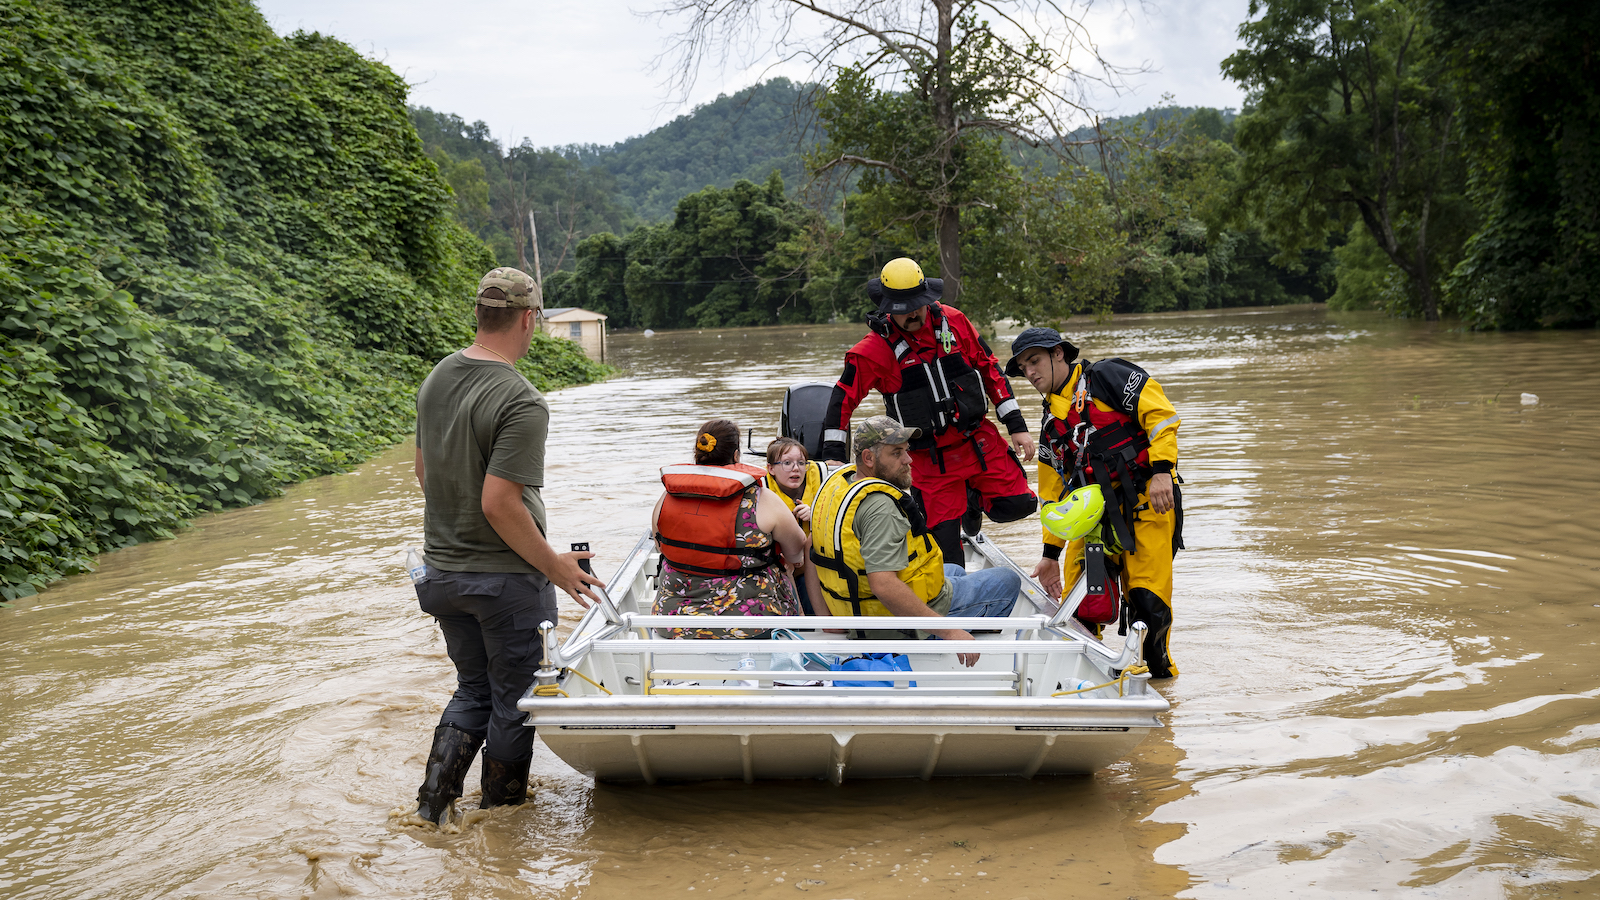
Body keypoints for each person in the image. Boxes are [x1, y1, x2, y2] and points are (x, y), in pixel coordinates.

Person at [410, 266, 605, 826]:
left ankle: (432, 810)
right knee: (517, 703)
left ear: (479, 314)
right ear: (528, 319)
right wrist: (557, 567)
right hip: (504, 582)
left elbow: (425, 474)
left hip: (443, 573)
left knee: (473, 689)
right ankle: (502, 825)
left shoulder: (438, 377)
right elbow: (499, 503)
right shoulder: (522, 400)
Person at [818, 258, 1037, 566]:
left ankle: (972, 499)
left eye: (918, 305)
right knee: (948, 558)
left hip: (978, 442)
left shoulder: (955, 321)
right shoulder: (872, 350)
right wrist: (833, 455)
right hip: (928, 460)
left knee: (1020, 505)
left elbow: (990, 368)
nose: (913, 313)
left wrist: (1016, 425)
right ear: (888, 307)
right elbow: (843, 399)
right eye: (903, 308)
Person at [1006, 327, 1183, 678]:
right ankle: (1089, 679)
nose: (1029, 372)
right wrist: (1049, 555)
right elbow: (1053, 496)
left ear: (1059, 353)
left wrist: (1163, 470)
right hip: (1093, 522)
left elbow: (1162, 416)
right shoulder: (1051, 426)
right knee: (1080, 609)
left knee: (1149, 601)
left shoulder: (1107, 377)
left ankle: (1161, 680)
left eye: (1034, 361)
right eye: (1023, 367)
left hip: (1147, 503)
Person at [809, 415, 1023, 667]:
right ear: (868, 458)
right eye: (897, 453)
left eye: (907, 451)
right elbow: (884, 585)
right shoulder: (879, 507)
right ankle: (962, 661)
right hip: (889, 624)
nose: (908, 459)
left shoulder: (841, 484)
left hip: (856, 610)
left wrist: (827, 618)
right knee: (1007, 580)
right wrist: (949, 632)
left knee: (953, 570)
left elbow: (810, 545)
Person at [652, 419, 808, 639]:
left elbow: (661, 547)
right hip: (750, 623)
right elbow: (796, 550)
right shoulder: (762, 499)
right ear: (736, 456)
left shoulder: (667, 498)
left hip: (673, 621)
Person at [763, 437, 827, 531]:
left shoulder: (823, 481)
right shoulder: (760, 489)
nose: (796, 468)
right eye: (787, 463)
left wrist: (815, 516)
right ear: (771, 469)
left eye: (801, 463)